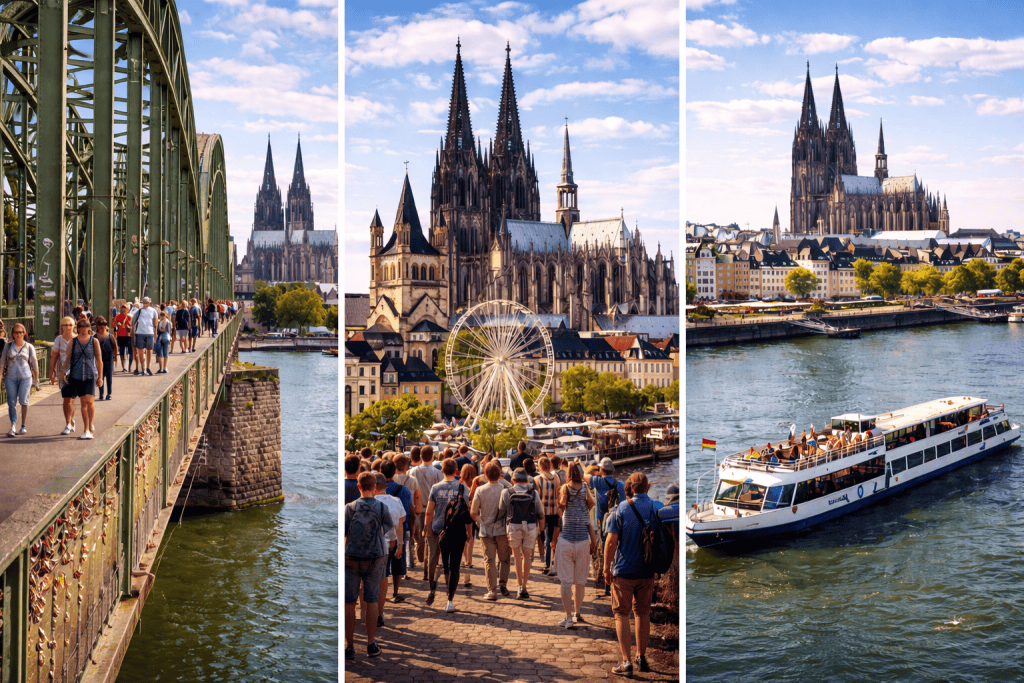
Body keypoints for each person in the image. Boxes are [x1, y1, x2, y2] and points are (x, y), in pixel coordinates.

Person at [604, 472, 657, 677]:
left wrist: (605, 568)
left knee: (621, 614)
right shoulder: (655, 507)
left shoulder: (620, 509)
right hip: (647, 571)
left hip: (624, 571)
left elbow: (610, 542)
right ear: (647, 487)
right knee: (643, 614)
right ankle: (642, 657)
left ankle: (626, 662)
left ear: (630, 487)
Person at [344, 471, 393, 661]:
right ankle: (371, 644)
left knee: (350, 602)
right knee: (371, 600)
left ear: (358, 487)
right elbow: (388, 530)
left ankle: (349, 646)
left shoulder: (349, 507)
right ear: (374, 488)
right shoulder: (381, 507)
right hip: (375, 557)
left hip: (352, 556)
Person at [551, 461, 597, 628]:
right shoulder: (585, 488)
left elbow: (560, 508)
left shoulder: (564, 489)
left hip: (566, 540)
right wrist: (583, 508)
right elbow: (592, 504)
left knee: (565, 581)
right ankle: (578, 613)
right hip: (583, 540)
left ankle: (568, 617)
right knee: (580, 581)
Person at [423, 458, 472, 612]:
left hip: (439, 528)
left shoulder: (436, 487)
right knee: (455, 564)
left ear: (442, 471)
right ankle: (450, 600)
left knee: (440, 561)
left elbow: (429, 511)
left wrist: (426, 528)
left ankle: (433, 586)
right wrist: (469, 531)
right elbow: (467, 511)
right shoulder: (463, 488)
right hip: (457, 530)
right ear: (456, 470)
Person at [497, 468, 545, 600]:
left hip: (513, 526)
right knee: (527, 556)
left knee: (517, 557)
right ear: (526, 479)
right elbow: (540, 513)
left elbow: (502, 510)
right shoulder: (533, 492)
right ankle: (524, 586)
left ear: (513, 479)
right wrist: (541, 529)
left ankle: (518, 586)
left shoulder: (507, 492)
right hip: (530, 526)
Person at [470, 461, 513, 600]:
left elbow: (473, 512)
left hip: (486, 530)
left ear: (486, 475)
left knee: (489, 560)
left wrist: (481, 522)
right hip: (503, 530)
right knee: (504, 559)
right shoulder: (506, 489)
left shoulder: (480, 490)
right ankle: (503, 584)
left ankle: (492, 590)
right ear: (499, 473)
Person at [373, 472, 405, 630]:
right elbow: (400, 524)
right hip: (390, 544)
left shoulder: (369, 501)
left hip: (372, 545)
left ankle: (368, 612)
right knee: (384, 577)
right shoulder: (396, 500)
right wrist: (400, 545)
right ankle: (380, 612)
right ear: (385, 486)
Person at [63, 318, 103, 440]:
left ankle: (89, 424)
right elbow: (67, 359)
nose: (84, 329)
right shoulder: (73, 342)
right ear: (78, 328)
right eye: (81, 327)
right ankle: (86, 429)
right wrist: (63, 373)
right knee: (83, 402)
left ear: (89, 329)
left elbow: (99, 360)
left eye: (86, 327)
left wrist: (100, 377)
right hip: (77, 375)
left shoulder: (94, 341)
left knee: (89, 401)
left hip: (90, 375)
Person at [590, 458, 626, 595]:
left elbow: (584, 476)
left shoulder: (598, 482)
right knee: (615, 553)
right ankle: (614, 584)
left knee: (604, 552)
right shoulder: (620, 485)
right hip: (618, 522)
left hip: (603, 523)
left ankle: (606, 585)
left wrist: (594, 469)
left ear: (602, 470)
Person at [1, 323, 39, 436]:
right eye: (16, 332)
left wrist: (36, 379)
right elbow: (2, 363)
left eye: (21, 332)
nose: (19, 334)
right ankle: (13, 425)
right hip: (10, 377)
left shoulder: (29, 347)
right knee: (11, 402)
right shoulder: (7, 346)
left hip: (25, 377)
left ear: (24, 333)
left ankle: (23, 425)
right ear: (13, 334)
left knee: (24, 401)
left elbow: (34, 363)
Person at [382, 460, 412, 603]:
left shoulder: (377, 489)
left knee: (383, 565)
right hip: (400, 529)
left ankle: (382, 592)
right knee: (398, 563)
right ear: (395, 473)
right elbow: (407, 512)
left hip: (382, 534)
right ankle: (395, 592)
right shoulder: (404, 490)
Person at [411, 444, 443, 578]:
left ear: (420, 456)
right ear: (433, 456)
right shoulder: (437, 473)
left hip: (417, 509)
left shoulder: (412, 471)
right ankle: (428, 568)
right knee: (431, 540)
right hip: (432, 510)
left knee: (419, 538)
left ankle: (421, 560)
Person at [50, 316, 77, 434]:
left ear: (74, 326)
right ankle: (67, 424)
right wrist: (52, 372)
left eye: (70, 325)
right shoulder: (59, 340)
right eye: (65, 325)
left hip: (76, 371)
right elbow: (54, 356)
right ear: (62, 326)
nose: (68, 327)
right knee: (66, 399)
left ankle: (71, 420)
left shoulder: (77, 339)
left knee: (73, 399)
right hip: (63, 371)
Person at [535, 456, 561, 576]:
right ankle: (551, 561)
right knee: (551, 537)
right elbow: (558, 494)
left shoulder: (538, 479)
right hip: (554, 511)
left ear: (540, 466)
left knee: (544, 536)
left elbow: (538, 498)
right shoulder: (556, 477)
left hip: (543, 512)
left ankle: (546, 562)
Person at [459, 463, 478, 576]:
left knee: (462, 537)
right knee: (470, 537)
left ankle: (462, 558)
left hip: (461, 513)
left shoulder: (460, 484)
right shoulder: (475, 485)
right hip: (471, 513)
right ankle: (468, 560)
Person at [132, 297, 158, 376]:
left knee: (142, 351)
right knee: (148, 351)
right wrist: (155, 334)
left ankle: (145, 368)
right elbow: (155, 324)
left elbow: (133, 322)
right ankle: (146, 368)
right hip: (148, 333)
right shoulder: (153, 311)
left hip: (141, 332)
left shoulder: (139, 311)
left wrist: (133, 333)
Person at [94, 317, 116, 401]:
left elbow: (114, 347)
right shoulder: (95, 337)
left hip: (109, 358)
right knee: (101, 376)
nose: (102, 326)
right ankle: (101, 394)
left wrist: (114, 357)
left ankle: (109, 394)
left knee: (109, 377)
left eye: (104, 324)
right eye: (100, 324)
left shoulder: (110, 336)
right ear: (97, 326)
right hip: (100, 359)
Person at [113, 304, 134, 372]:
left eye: (125, 308)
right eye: (122, 308)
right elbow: (114, 327)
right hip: (120, 336)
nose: (123, 310)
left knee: (128, 353)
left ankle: (128, 366)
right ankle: (124, 367)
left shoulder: (129, 317)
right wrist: (117, 327)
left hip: (127, 336)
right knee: (122, 353)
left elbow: (132, 328)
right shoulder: (117, 317)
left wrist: (128, 327)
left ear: (127, 310)